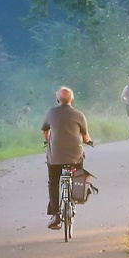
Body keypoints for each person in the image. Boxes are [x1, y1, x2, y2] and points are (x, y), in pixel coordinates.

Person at [41, 87, 92, 229]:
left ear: (57, 99)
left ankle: (55, 214)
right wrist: (89, 141)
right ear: (72, 99)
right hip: (75, 157)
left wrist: (47, 140)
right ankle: (75, 196)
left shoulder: (51, 113)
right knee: (78, 174)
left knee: (53, 181)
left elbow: (45, 130)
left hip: (55, 158)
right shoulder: (79, 115)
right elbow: (85, 137)